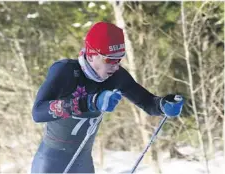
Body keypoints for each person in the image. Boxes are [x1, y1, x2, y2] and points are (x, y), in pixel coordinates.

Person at [30, 21, 184, 173]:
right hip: (51, 162)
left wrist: (164, 105)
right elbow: (38, 112)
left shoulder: (116, 76)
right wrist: (90, 102)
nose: (116, 65)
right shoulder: (66, 71)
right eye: (110, 59)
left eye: (119, 59)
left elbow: (148, 102)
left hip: (83, 163)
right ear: (91, 55)